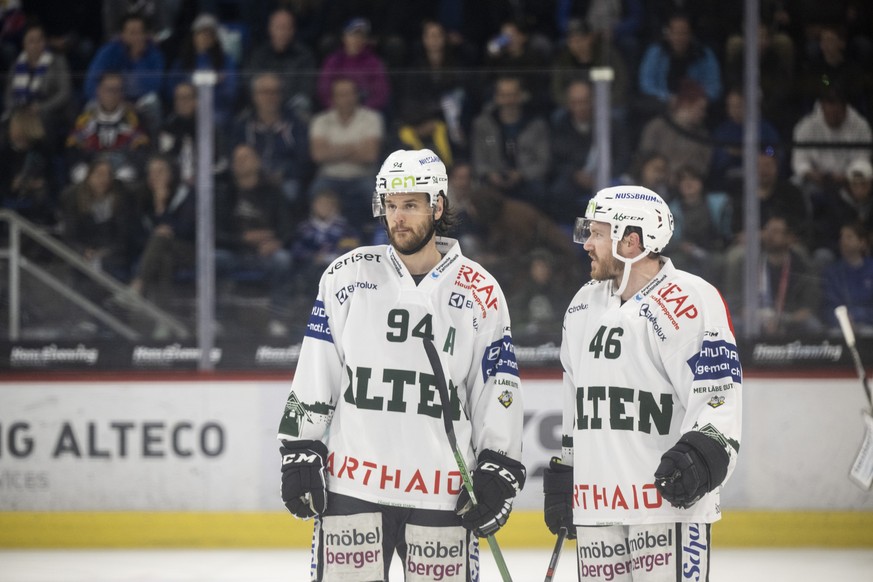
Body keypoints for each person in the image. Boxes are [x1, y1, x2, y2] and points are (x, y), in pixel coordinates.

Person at [277, 148, 525, 581]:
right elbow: (317, 370)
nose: (398, 218)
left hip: (441, 494)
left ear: (439, 205)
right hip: (352, 488)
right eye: (390, 205)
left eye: (410, 205)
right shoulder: (346, 276)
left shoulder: (481, 291)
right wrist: (301, 446)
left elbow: (496, 389)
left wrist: (498, 464)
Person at [543, 185, 742, 581]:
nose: (586, 244)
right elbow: (574, 398)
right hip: (596, 508)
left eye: (597, 233)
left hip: (666, 506)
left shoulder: (688, 299)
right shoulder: (583, 304)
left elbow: (718, 394)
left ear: (631, 242)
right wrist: (567, 468)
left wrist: (705, 454)